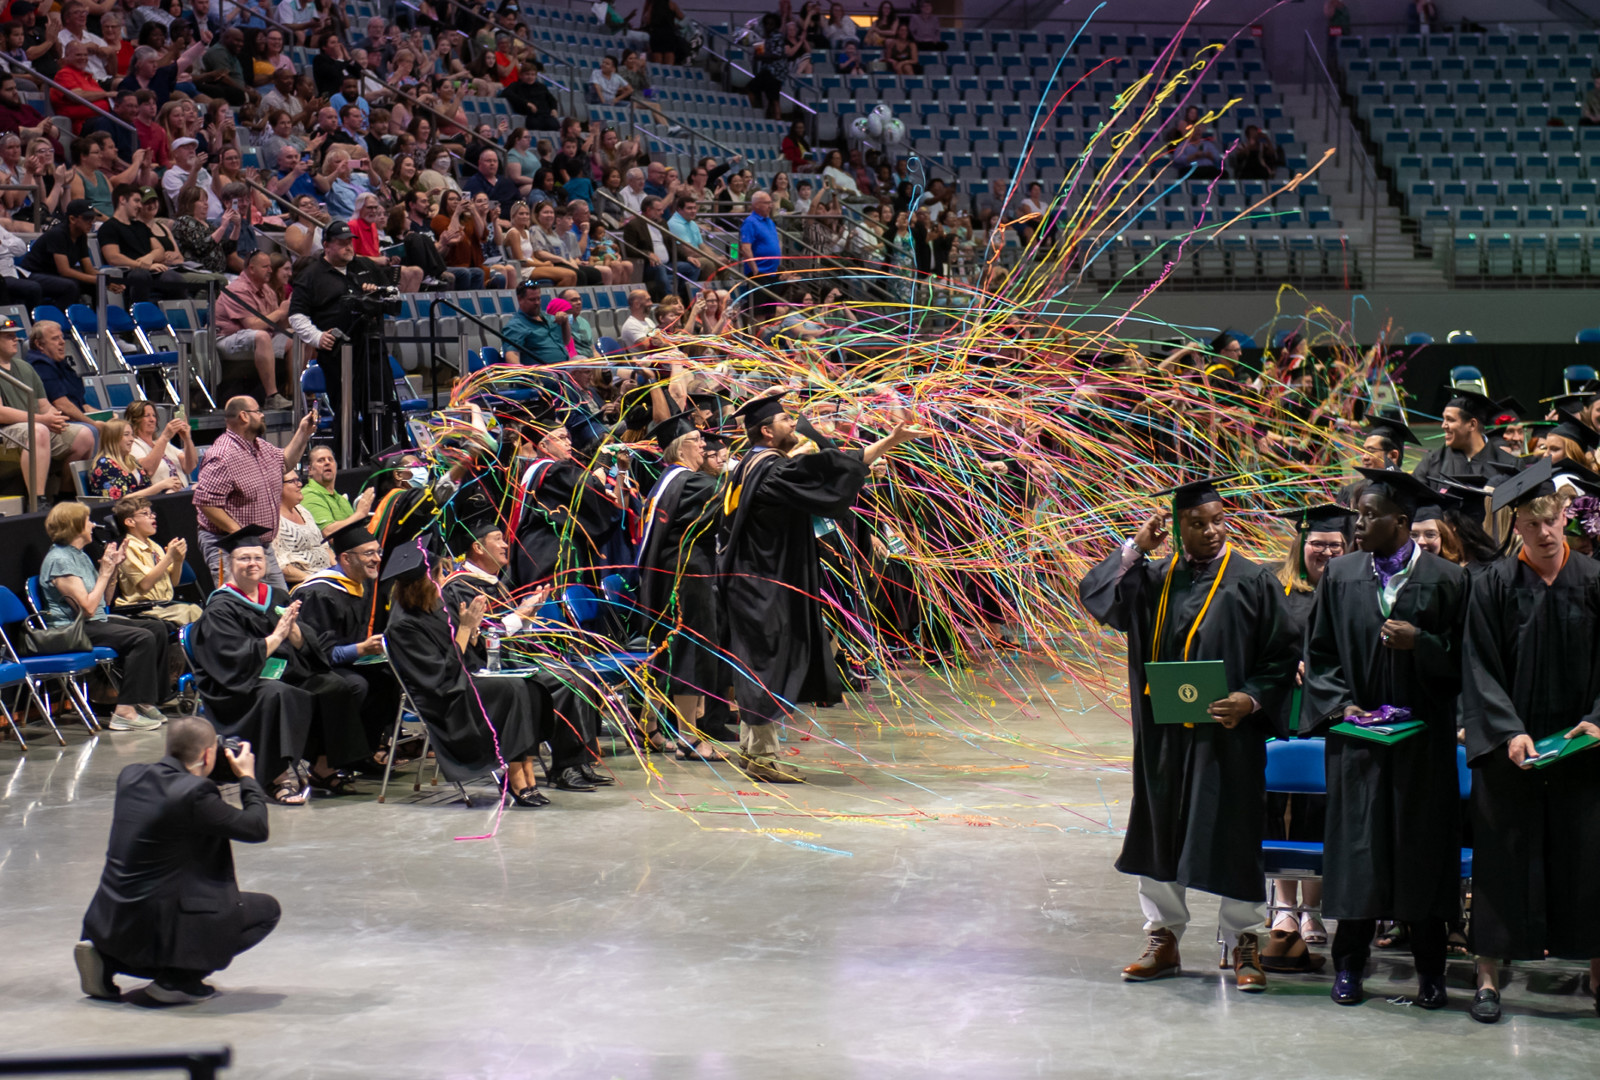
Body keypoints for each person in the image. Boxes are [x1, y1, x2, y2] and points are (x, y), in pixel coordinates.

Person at [1077, 475, 1297, 992]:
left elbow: (1283, 653)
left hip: (1228, 734)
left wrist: (1251, 698)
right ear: (1177, 529)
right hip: (1164, 735)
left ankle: (1245, 940)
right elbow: (1096, 595)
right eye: (1197, 524)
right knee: (1160, 826)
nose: (1211, 531)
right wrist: (1135, 548)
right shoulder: (1154, 578)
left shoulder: (1253, 579)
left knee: (1234, 830)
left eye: (1218, 520)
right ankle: (1164, 936)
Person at [1300, 468, 1468, 1009]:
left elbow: (1468, 660)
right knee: (1358, 853)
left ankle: (1430, 972)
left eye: (1370, 515)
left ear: (1401, 521)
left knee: (1421, 854)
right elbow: (1320, 653)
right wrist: (1341, 704)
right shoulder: (1342, 575)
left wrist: (1422, 643)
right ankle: (1349, 966)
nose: (1359, 524)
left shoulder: (1448, 579)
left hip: (1424, 744)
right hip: (1359, 741)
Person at [1458, 457, 1600, 1023]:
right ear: (1515, 524)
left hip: (1583, 751)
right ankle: (1489, 976)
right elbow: (1479, 667)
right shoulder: (1491, 584)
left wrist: (1598, 718)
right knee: (1500, 860)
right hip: (1510, 750)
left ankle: (1596, 970)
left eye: (1553, 519)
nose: (1545, 533)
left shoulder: (1594, 580)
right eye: (1533, 522)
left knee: (1589, 860)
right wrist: (1509, 731)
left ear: (1566, 514)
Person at [720, 393, 921, 782]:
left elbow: (823, 472)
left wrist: (890, 441)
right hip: (763, 582)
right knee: (766, 664)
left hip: (750, 578)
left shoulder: (749, 466)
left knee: (759, 660)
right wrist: (889, 443)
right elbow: (826, 475)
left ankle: (753, 751)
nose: (792, 425)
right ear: (766, 430)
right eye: (784, 420)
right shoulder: (773, 470)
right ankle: (761, 757)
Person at [76, 715, 278, 1006]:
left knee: (168, 884)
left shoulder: (130, 776)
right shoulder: (195, 794)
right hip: (157, 920)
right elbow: (256, 828)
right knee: (266, 910)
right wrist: (247, 777)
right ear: (208, 754)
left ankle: (105, 958)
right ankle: (178, 980)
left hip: (111, 919)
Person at [188, 524, 370, 805]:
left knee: (337, 686)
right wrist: (275, 638)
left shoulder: (277, 596)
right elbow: (230, 657)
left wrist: (296, 634)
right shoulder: (220, 608)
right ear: (229, 562)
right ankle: (276, 777)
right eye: (244, 558)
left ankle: (323, 766)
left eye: (258, 558)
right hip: (239, 685)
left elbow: (305, 642)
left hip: (283, 672)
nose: (253, 564)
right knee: (279, 694)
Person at [440, 517, 608, 792]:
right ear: (478, 548)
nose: (506, 545)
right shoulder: (460, 586)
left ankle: (579, 761)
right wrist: (520, 614)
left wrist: (530, 615)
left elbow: (509, 630)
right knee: (566, 682)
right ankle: (564, 768)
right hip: (486, 669)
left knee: (582, 674)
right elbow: (482, 638)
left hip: (511, 661)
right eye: (498, 539)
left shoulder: (493, 582)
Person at [382, 539, 551, 806]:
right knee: (513, 689)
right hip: (447, 701)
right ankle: (516, 776)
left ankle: (525, 769)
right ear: (423, 582)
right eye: (441, 574)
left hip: (464, 681)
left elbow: (462, 653)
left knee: (530, 687)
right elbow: (441, 677)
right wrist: (464, 629)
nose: (446, 579)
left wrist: (471, 633)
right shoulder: (403, 627)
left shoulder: (434, 608)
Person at [1265, 503, 1352, 958]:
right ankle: (1282, 906)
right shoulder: (1275, 586)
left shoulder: (1353, 588)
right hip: (1285, 709)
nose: (1326, 551)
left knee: (1318, 805)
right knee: (1278, 804)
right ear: (1302, 544)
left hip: (1330, 711)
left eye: (1336, 545)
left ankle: (1313, 908)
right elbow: (1258, 640)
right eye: (1318, 543)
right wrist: (1286, 663)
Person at [636, 411, 726, 761]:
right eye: (697, 440)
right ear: (678, 448)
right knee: (691, 651)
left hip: (665, 578)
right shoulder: (690, 482)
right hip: (687, 578)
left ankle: (651, 729)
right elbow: (727, 500)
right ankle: (691, 738)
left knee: (663, 650)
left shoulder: (665, 481)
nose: (704, 445)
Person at [37, 500, 171, 733]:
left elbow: (104, 601)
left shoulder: (78, 555)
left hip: (94, 621)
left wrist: (113, 569)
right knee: (141, 638)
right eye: (88, 520)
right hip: (72, 629)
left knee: (157, 628)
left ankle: (145, 700)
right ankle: (125, 712)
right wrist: (104, 574)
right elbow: (87, 609)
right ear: (75, 525)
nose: (93, 524)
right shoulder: (60, 560)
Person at [290, 519, 400, 772]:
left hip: (344, 662)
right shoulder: (319, 592)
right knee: (355, 685)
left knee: (388, 678)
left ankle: (364, 753)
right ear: (347, 558)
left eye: (378, 552)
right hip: (309, 668)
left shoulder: (362, 584)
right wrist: (361, 649)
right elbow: (317, 653)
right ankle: (325, 761)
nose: (376, 559)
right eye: (369, 553)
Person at [286, 219, 392, 462]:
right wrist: (316, 337)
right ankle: (348, 466)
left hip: (372, 348)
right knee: (347, 411)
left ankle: (383, 461)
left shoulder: (364, 266)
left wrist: (375, 293)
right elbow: (297, 315)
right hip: (339, 354)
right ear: (326, 245)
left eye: (350, 242)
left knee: (381, 407)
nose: (348, 247)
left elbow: (389, 295)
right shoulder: (311, 275)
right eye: (341, 243)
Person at [192, 396, 317, 587]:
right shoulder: (222, 455)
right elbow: (206, 502)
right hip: (229, 546)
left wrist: (303, 432)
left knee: (279, 604)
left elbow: (284, 463)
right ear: (244, 416)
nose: (262, 415)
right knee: (240, 607)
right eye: (258, 411)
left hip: (262, 546)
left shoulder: (260, 446)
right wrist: (239, 532)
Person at [508, 410, 624, 589]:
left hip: (544, 550)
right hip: (548, 555)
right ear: (544, 446)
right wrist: (604, 459)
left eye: (568, 437)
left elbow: (586, 493)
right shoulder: (552, 470)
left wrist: (597, 491)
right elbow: (592, 486)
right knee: (552, 610)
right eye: (561, 438)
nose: (568, 442)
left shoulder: (543, 473)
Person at [0, 315, 92, 504]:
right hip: (5, 432)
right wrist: (43, 420)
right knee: (38, 431)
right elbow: (1, 413)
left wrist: (55, 418)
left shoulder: (25, 367)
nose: (15, 339)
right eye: (8, 336)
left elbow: (44, 405)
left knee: (84, 435)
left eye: (15, 335)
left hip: (31, 426)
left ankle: (65, 496)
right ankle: (39, 501)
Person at [111, 494, 200, 625]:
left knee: (196, 610)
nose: (152, 516)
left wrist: (178, 560)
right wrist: (169, 557)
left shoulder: (154, 546)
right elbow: (144, 584)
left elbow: (173, 582)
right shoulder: (127, 548)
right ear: (130, 522)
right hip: (142, 608)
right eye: (145, 513)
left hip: (162, 605)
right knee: (191, 612)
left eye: (152, 513)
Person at [95, 182, 186, 305]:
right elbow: (113, 257)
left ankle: (176, 320)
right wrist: (143, 265)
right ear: (122, 200)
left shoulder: (140, 226)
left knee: (173, 278)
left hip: (151, 270)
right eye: (136, 201)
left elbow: (159, 250)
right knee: (141, 276)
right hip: (128, 272)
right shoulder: (109, 227)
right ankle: (139, 316)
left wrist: (150, 257)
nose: (139, 205)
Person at [1412, 387, 1521, 486]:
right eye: (1444, 419)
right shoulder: (1432, 462)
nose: (1443, 425)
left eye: (1450, 420)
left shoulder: (1508, 464)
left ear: (1472, 424)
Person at [19, 197, 100, 304]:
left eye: (92, 219)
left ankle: (98, 317)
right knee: (70, 286)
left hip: (53, 274)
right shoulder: (58, 234)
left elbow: (89, 270)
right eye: (86, 218)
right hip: (33, 274)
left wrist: (108, 281)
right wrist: (96, 280)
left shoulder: (81, 236)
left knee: (96, 285)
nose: (91, 223)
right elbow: (64, 270)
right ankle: (56, 316)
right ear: (72, 219)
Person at [623, 194, 695, 301]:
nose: (662, 213)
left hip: (669, 263)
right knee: (660, 268)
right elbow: (629, 249)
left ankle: (683, 298)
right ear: (648, 210)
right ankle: (671, 301)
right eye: (658, 210)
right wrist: (648, 254)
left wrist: (687, 258)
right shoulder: (634, 225)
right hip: (649, 266)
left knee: (692, 267)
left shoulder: (662, 223)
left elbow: (672, 245)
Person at [89, 418, 184, 500]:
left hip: (144, 509)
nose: (132, 439)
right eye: (126, 434)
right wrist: (161, 486)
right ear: (113, 438)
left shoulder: (131, 460)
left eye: (132, 435)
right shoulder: (105, 464)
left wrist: (169, 489)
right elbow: (122, 500)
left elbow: (147, 489)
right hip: (125, 515)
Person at [274, 467, 333, 586]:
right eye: (293, 481)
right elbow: (280, 566)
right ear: (277, 487)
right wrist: (314, 579)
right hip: (304, 582)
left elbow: (324, 547)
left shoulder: (303, 511)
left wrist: (338, 573)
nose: (300, 484)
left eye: (298, 479)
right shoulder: (273, 520)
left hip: (325, 576)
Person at [125, 399, 196, 488]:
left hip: (181, 492)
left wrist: (187, 439)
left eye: (154, 416)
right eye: (147, 416)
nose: (152, 420)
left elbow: (189, 467)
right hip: (161, 496)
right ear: (135, 420)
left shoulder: (162, 444)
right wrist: (165, 437)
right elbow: (147, 470)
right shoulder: (133, 445)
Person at [501, 278, 571, 367]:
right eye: (532, 299)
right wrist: (524, 376)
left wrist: (565, 323)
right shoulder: (515, 326)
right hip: (543, 375)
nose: (537, 302)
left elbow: (566, 341)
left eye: (538, 298)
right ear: (520, 299)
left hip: (564, 369)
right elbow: (512, 355)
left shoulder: (549, 318)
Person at [740, 189, 782, 318]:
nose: (770, 206)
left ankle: (768, 336)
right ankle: (755, 337)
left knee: (770, 311)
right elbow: (745, 247)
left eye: (771, 202)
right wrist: (754, 269)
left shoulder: (769, 221)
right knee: (758, 312)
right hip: (760, 272)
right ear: (756, 205)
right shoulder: (750, 222)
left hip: (772, 271)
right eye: (766, 203)